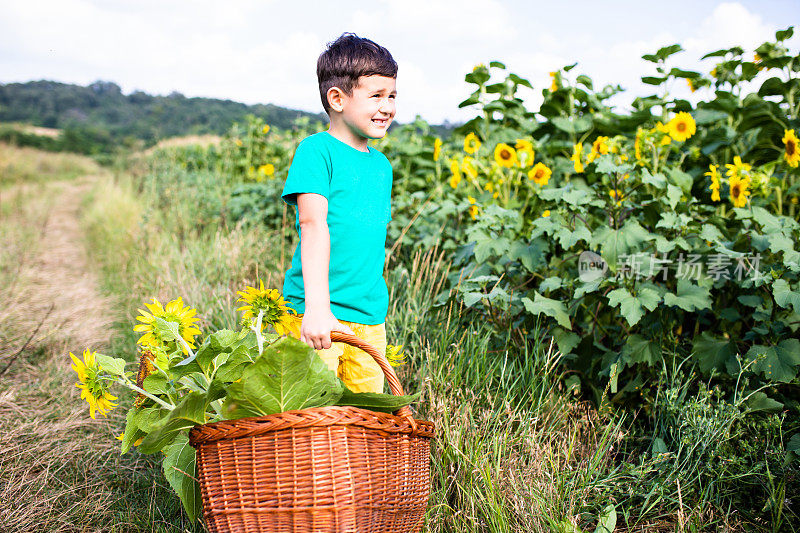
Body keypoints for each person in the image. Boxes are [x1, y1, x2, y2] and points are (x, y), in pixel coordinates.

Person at [280, 33, 397, 394]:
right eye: (375, 95)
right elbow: (313, 226)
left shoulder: (382, 166)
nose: (387, 106)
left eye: (392, 95)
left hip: (367, 316)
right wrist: (318, 309)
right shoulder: (317, 152)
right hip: (315, 312)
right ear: (337, 99)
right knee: (310, 414)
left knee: (365, 417)